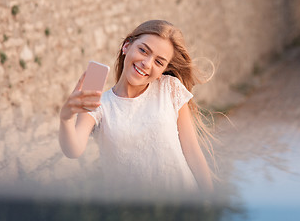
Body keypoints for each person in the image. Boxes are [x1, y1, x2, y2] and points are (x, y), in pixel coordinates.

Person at [59, 20, 214, 195]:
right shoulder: (99, 105)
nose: (147, 63)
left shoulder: (170, 88)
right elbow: (73, 149)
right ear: (126, 46)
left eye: (159, 62)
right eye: (143, 50)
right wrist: (66, 118)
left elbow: (193, 152)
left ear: (163, 70)